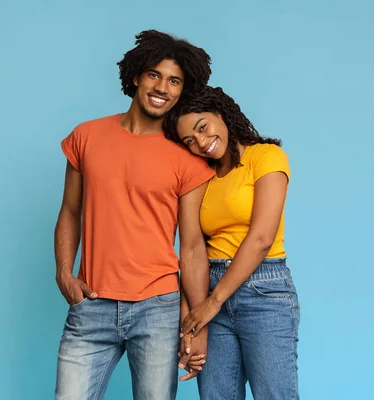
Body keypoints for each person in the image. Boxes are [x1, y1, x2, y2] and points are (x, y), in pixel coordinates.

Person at [53, 30, 215, 400]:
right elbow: (69, 210)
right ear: (137, 76)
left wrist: (196, 326)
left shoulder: (188, 158)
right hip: (91, 304)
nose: (163, 87)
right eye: (155, 75)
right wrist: (64, 272)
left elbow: (191, 247)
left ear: (182, 90)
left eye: (175, 80)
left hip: (157, 308)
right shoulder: (86, 136)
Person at [164, 85, 301, 400]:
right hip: (208, 287)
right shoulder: (202, 175)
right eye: (190, 140)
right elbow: (192, 249)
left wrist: (212, 304)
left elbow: (261, 238)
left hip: (263, 291)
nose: (201, 142)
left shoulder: (266, 157)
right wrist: (191, 322)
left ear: (222, 113)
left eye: (203, 127)